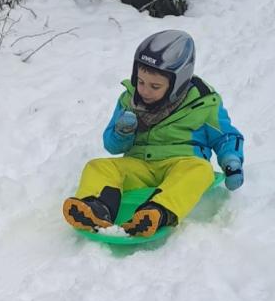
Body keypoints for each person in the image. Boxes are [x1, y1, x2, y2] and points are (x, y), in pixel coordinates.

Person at [62, 30, 244, 237]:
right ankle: (96, 207)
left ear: (178, 84)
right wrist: (122, 132)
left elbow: (226, 136)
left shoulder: (204, 103)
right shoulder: (129, 100)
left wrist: (231, 159)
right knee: (98, 166)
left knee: (201, 170)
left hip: (181, 164)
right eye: (140, 82)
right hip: (140, 165)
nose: (145, 91)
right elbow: (112, 146)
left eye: (155, 86)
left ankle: (158, 212)